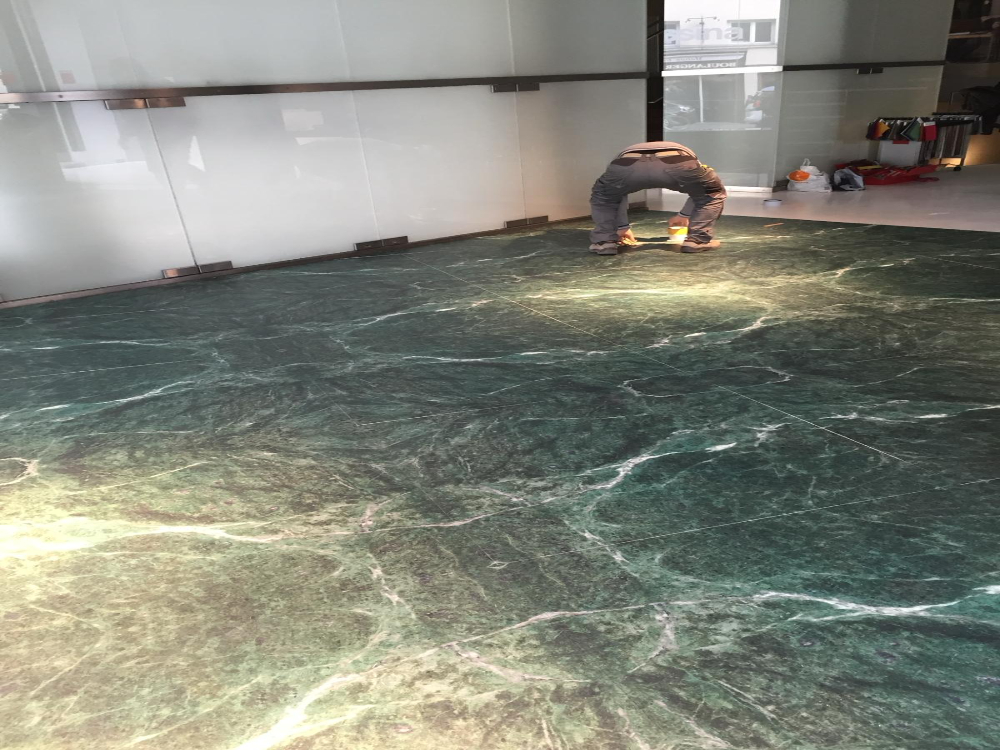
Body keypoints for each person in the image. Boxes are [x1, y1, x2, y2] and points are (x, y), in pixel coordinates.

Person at [589, 141, 727, 255]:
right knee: (711, 192)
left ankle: (604, 242)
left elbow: (615, 196)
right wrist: (684, 215)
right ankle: (697, 241)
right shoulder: (690, 156)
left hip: (625, 163)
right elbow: (702, 192)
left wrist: (622, 227)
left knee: (606, 196)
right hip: (678, 159)